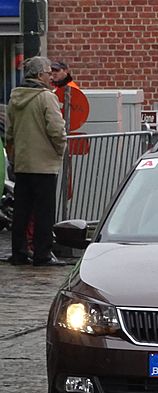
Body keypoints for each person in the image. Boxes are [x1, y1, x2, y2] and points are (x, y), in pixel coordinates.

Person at [5, 57, 67, 265]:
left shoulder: (15, 98)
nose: (51, 76)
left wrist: (15, 155)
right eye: (49, 73)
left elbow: (9, 132)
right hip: (44, 163)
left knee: (21, 210)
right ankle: (42, 253)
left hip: (23, 162)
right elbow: (56, 129)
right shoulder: (46, 98)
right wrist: (60, 150)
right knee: (44, 211)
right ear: (40, 75)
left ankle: (19, 252)